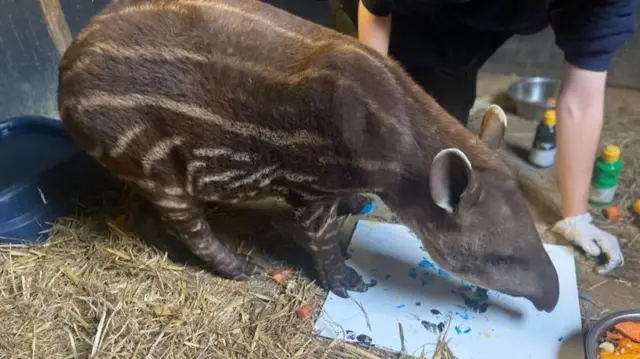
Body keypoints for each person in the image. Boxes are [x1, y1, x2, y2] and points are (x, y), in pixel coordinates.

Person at [330, 0, 638, 274]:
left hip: (463, 32)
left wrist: (576, 216)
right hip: (380, 19)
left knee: (440, 134)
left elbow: (582, 97)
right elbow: (375, 10)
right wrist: (377, 110)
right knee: (346, 122)